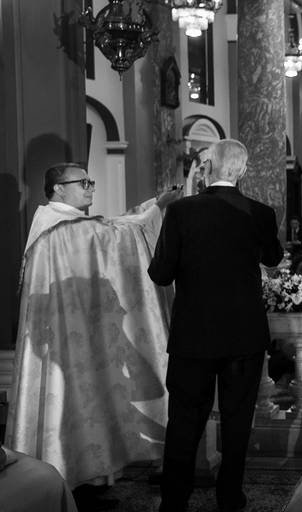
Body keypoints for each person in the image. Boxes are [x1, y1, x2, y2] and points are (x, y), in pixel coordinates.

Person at [7, 163, 179, 508]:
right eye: (82, 182)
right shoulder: (61, 228)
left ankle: (88, 481)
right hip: (63, 347)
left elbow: (111, 227)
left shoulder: (58, 225)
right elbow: (118, 234)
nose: (90, 187)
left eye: (91, 181)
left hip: (77, 338)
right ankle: (70, 486)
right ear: (58, 188)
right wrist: (157, 208)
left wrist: (152, 206)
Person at [148, 139, 283, 511]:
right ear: (242, 170)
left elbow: (160, 274)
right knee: (238, 421)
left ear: (206, 169)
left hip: (194, 336)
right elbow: (273, 258)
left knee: (184, 421)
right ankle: (230, 497)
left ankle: (174, 501)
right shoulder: (261, 212)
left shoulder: (181, 211)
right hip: (244, 335)